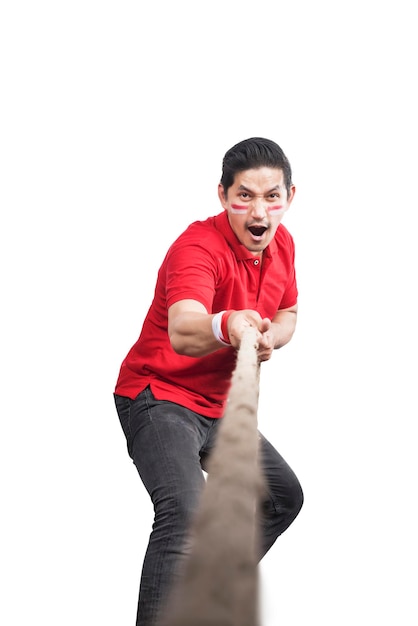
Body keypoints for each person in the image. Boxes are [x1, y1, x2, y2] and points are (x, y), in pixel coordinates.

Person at [114, 137, 304, 626]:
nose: (258, 210)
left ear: (290, 197)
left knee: (284, 497)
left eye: (271, 196)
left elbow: (288, 311)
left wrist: (271, 337)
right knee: (186, 512)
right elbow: (183, 329)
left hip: (215, 407)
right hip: (157, 398)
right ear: (222, 195)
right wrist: (230, 325)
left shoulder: (282, 244)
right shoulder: (196, 247)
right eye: (245, 196)